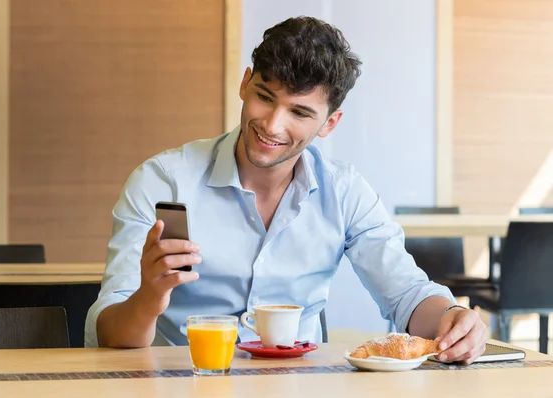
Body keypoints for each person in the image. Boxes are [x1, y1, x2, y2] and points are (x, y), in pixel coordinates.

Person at [85, 16, 487, 364]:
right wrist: (150, 298)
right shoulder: (162, 181)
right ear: (245, 84)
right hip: (184, 383)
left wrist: (452, 318)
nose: (272, 126)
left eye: (299, 112)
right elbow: (111, 335)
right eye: (265, 97)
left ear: (329, 124)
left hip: (299, 384)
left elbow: (407, 293)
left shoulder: (345, 192)